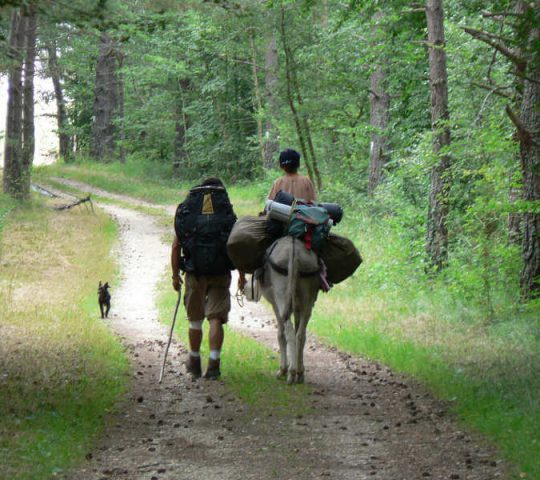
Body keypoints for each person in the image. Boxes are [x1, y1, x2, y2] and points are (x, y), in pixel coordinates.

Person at [171, 177, 242, 380]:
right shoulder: (224, 213)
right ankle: (213, 365)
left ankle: (194, 362)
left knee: (195, 320)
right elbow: (236, 245)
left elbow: (176, 246)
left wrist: (175, 275)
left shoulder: (190, 214)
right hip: (220, 273)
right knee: (216, 318)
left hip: (195, 273)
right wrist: (242, 275)